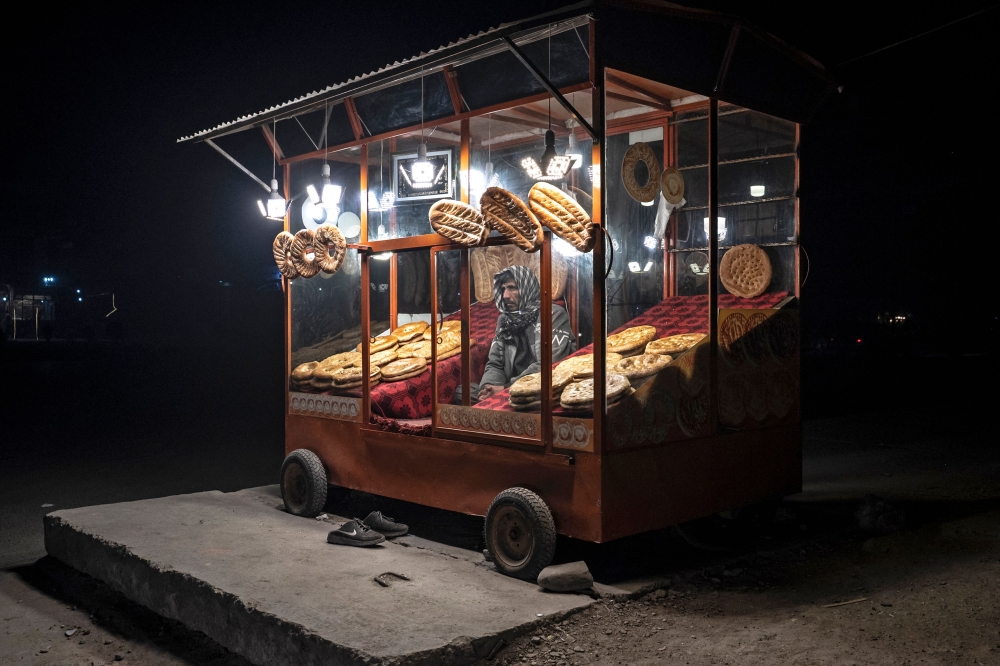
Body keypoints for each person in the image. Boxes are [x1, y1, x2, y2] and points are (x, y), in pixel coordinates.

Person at [473, 265, 576, 402]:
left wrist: (506, 388)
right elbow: (495, 364)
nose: (505, 296)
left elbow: (549, 364)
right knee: (461, 392)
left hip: (542, 389)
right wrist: (488, 388)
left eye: (512, 288)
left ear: (527, 288)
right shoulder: (504, 320)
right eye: (503, 289)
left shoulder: (552, 314)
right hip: (508, 390)